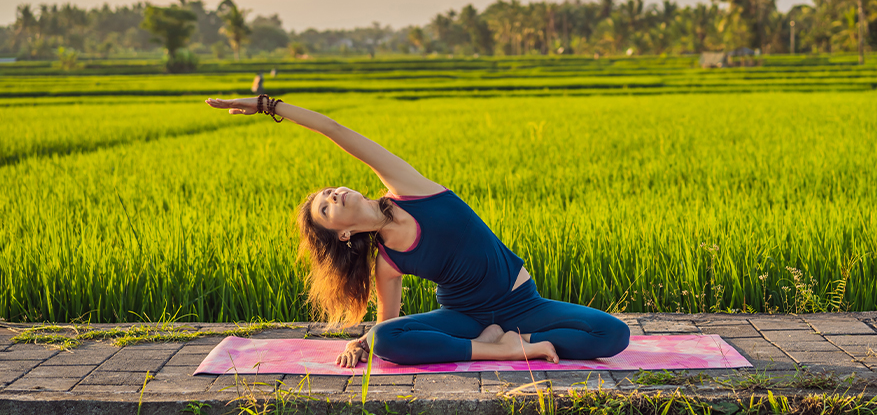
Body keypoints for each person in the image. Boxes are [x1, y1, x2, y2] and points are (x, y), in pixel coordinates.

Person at [205, 95, 631, 367]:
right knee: (388, 338)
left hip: (523, 303)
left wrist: (267, 105)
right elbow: (387, 327)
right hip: (465, 318)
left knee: (614, 335)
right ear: (342, 236)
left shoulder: (410, 190)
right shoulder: (388, 264)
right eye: (325, 205)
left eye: (330, 190)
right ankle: (500, 349)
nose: (333, 194)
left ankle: (519, 340)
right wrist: (362, 343)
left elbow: (334, 130)